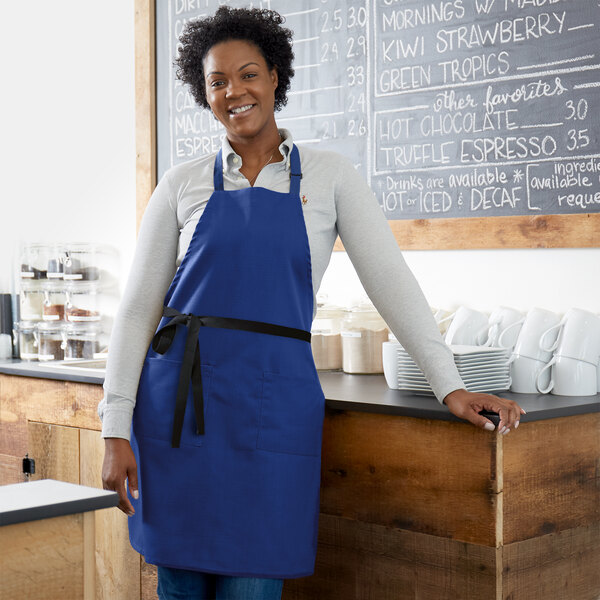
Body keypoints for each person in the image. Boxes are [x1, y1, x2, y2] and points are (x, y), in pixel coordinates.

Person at [99, 6, 524, 600]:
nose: (233, 92)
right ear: (205, 95)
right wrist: (114, 427)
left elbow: (391, 283)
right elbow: (138, 311)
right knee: (180, 585)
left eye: (246, 74)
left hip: (273, 408)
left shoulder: (329, 176)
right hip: (179, 414)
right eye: (217, 82)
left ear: (275, 76)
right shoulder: (181, 183)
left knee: (252, 585)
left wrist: (449, 385)